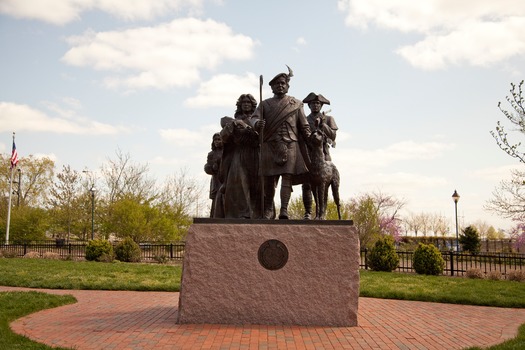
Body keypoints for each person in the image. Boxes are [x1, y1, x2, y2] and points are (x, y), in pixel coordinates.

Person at [250, 68, 311, 219]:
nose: (280, 86)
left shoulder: (296, 104)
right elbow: (253, 118)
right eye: (277, 84)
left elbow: (304, 125)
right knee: (269, 179)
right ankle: (269, 209)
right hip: (270, 144)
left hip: (290, 144)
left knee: (287, 177)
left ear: (287, 86)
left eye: (283, 83)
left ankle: (284, 210)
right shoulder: (265, 104)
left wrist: (311, 137)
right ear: (271, 87)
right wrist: (258, 124)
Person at [217, 94, 261, 218]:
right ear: (240, 106)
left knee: (258, 184)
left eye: (248, 102)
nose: (246, 104)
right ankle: (242, 214)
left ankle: (258, 214)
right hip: (239, 153)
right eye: (243, 103)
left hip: (256, 154)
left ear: (253, 105)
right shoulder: (234, 121)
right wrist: (231, 127)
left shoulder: (257, 120)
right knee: (239, 184)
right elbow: (223, 137)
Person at [301, 92, 338, 219]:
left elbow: (333, 136)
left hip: (324, 155)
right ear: (309, 106)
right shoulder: (305, 119)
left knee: (324, 186)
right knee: (307, 184)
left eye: (317, 103)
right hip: (308, 155)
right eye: (312, 104)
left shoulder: (328, 119)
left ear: (321, 106)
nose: (315, 106)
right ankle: (308, 212)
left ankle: (322, 212)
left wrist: (323, 124)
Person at [204, 132, 223, 217]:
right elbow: (207, 167)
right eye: (215, 140)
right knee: (216, 199)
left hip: (225, 178)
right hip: (216, 180)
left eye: (219, 139)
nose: (217, 141)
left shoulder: (226, 152)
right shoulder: (211, 154)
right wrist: (212, 168)